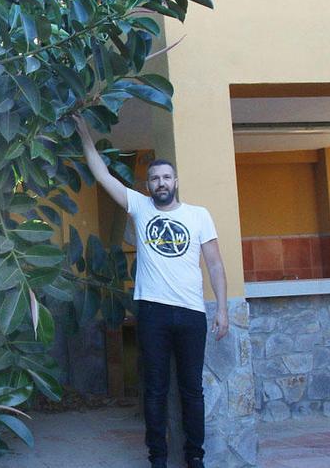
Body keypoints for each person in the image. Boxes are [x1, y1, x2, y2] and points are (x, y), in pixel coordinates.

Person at [74, 115, 229, 468]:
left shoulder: (199, 215)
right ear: (149, 185)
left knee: (192, 390)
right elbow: (102, 176)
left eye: (166, 177)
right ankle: (157, 458)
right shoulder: (140, 208)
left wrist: (222, 309)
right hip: (153, 311)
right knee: (155, 389)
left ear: (176, 181)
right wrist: (85, 134)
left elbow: (216, 266)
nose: (161, 183)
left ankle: (195, 457)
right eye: (155, 178)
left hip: (191, 313)